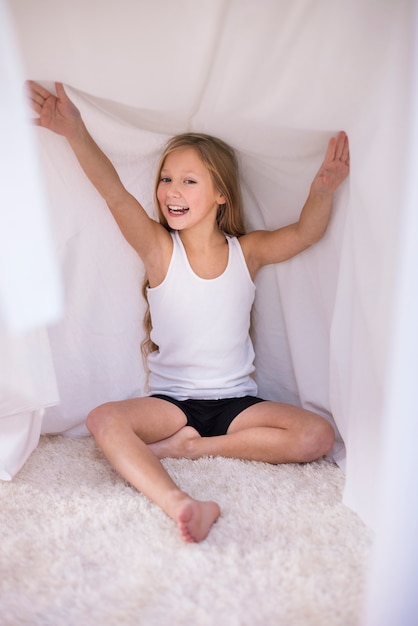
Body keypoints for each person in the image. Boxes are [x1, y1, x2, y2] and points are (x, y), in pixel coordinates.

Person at [27, 81, 350, 543]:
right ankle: (179, 501)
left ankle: (192, 450)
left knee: (316, 436)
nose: (171, 191)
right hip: (171, 404)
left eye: (188, 180)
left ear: (221, 194)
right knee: (102, 420)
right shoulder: (160, 250)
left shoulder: (248, 253)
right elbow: (114, 193)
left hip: (236, 406)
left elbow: (304, 235)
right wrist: (75, 131)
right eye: (165, 178)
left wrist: (322, 190)